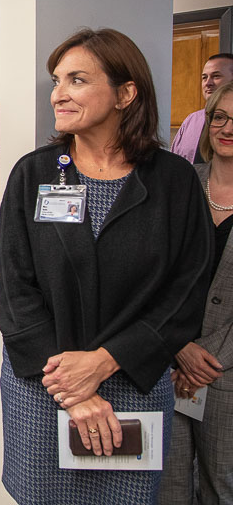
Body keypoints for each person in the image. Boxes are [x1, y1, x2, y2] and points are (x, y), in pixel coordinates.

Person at [0, 28, 212, 504]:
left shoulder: (174, 180)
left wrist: (103, 362)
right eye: (57, 81)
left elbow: (186, 291)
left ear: (125, 93)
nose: (59, 94)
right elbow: (14, 288)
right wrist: (73, 388)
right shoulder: (34, 173)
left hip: (133, 381)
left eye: (76, 80)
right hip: (45, 384)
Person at [160, 80, 233, 505]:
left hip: (226, 371)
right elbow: (154, 274)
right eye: (219, 117)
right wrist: (181, 346)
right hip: (168, 361)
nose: (227, 128)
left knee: (222, 485)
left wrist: (207, 357)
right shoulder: (181, 185)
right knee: (166, 485)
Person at [171, 53, 233, 164]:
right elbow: (174, 164)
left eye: (216, 76)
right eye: (204, 77)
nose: (208, 83)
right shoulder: (191, 121)